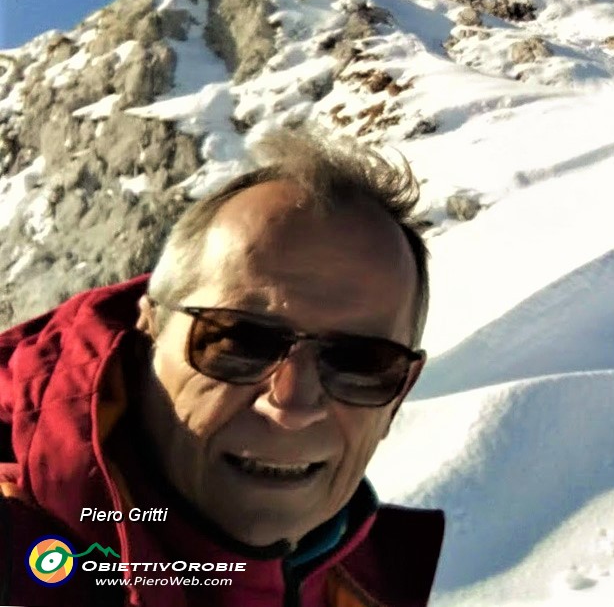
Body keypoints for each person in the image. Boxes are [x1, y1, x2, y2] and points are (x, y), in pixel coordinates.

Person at [0, 127, 444, 606]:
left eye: (362, 362)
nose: (291, 405)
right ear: (147, 334)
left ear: (399, 394)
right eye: (239, 340)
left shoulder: (371, 584)